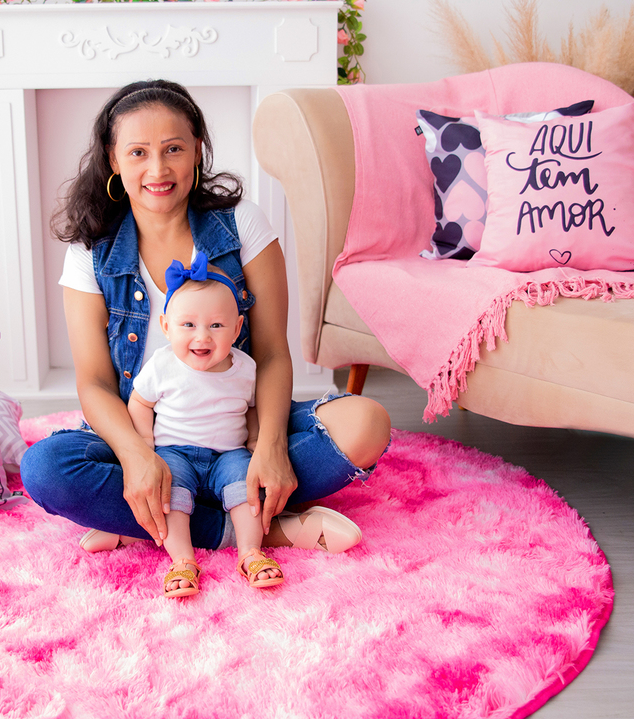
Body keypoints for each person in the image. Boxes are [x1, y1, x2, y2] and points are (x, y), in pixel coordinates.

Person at [20, 79, 392, 574]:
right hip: (150, 432)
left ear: (197, 149)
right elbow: (93, 382)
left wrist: (270, 446)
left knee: (367, 425)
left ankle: (151, 524)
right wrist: (135, 458)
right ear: (113, 160)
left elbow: (273, 354)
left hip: (239, 424)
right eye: (138, 153)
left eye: (173, 149)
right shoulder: (91, 252)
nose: (158, 169)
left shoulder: (242, 224)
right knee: (45, 470)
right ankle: (260, 529)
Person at [129, 255, 280, 596]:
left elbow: (254, 407)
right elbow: (139, 401)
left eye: (216, 326)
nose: (202, 337)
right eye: (188, 326)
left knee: (248, 486)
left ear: (237, 329)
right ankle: (182, 559)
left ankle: (250, 552)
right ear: (166, 326)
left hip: (229, 455)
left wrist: (257, 439)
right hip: (175, 452)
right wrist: (144, 445)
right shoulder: (163, 364)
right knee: (169, 494)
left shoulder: (245, 368)